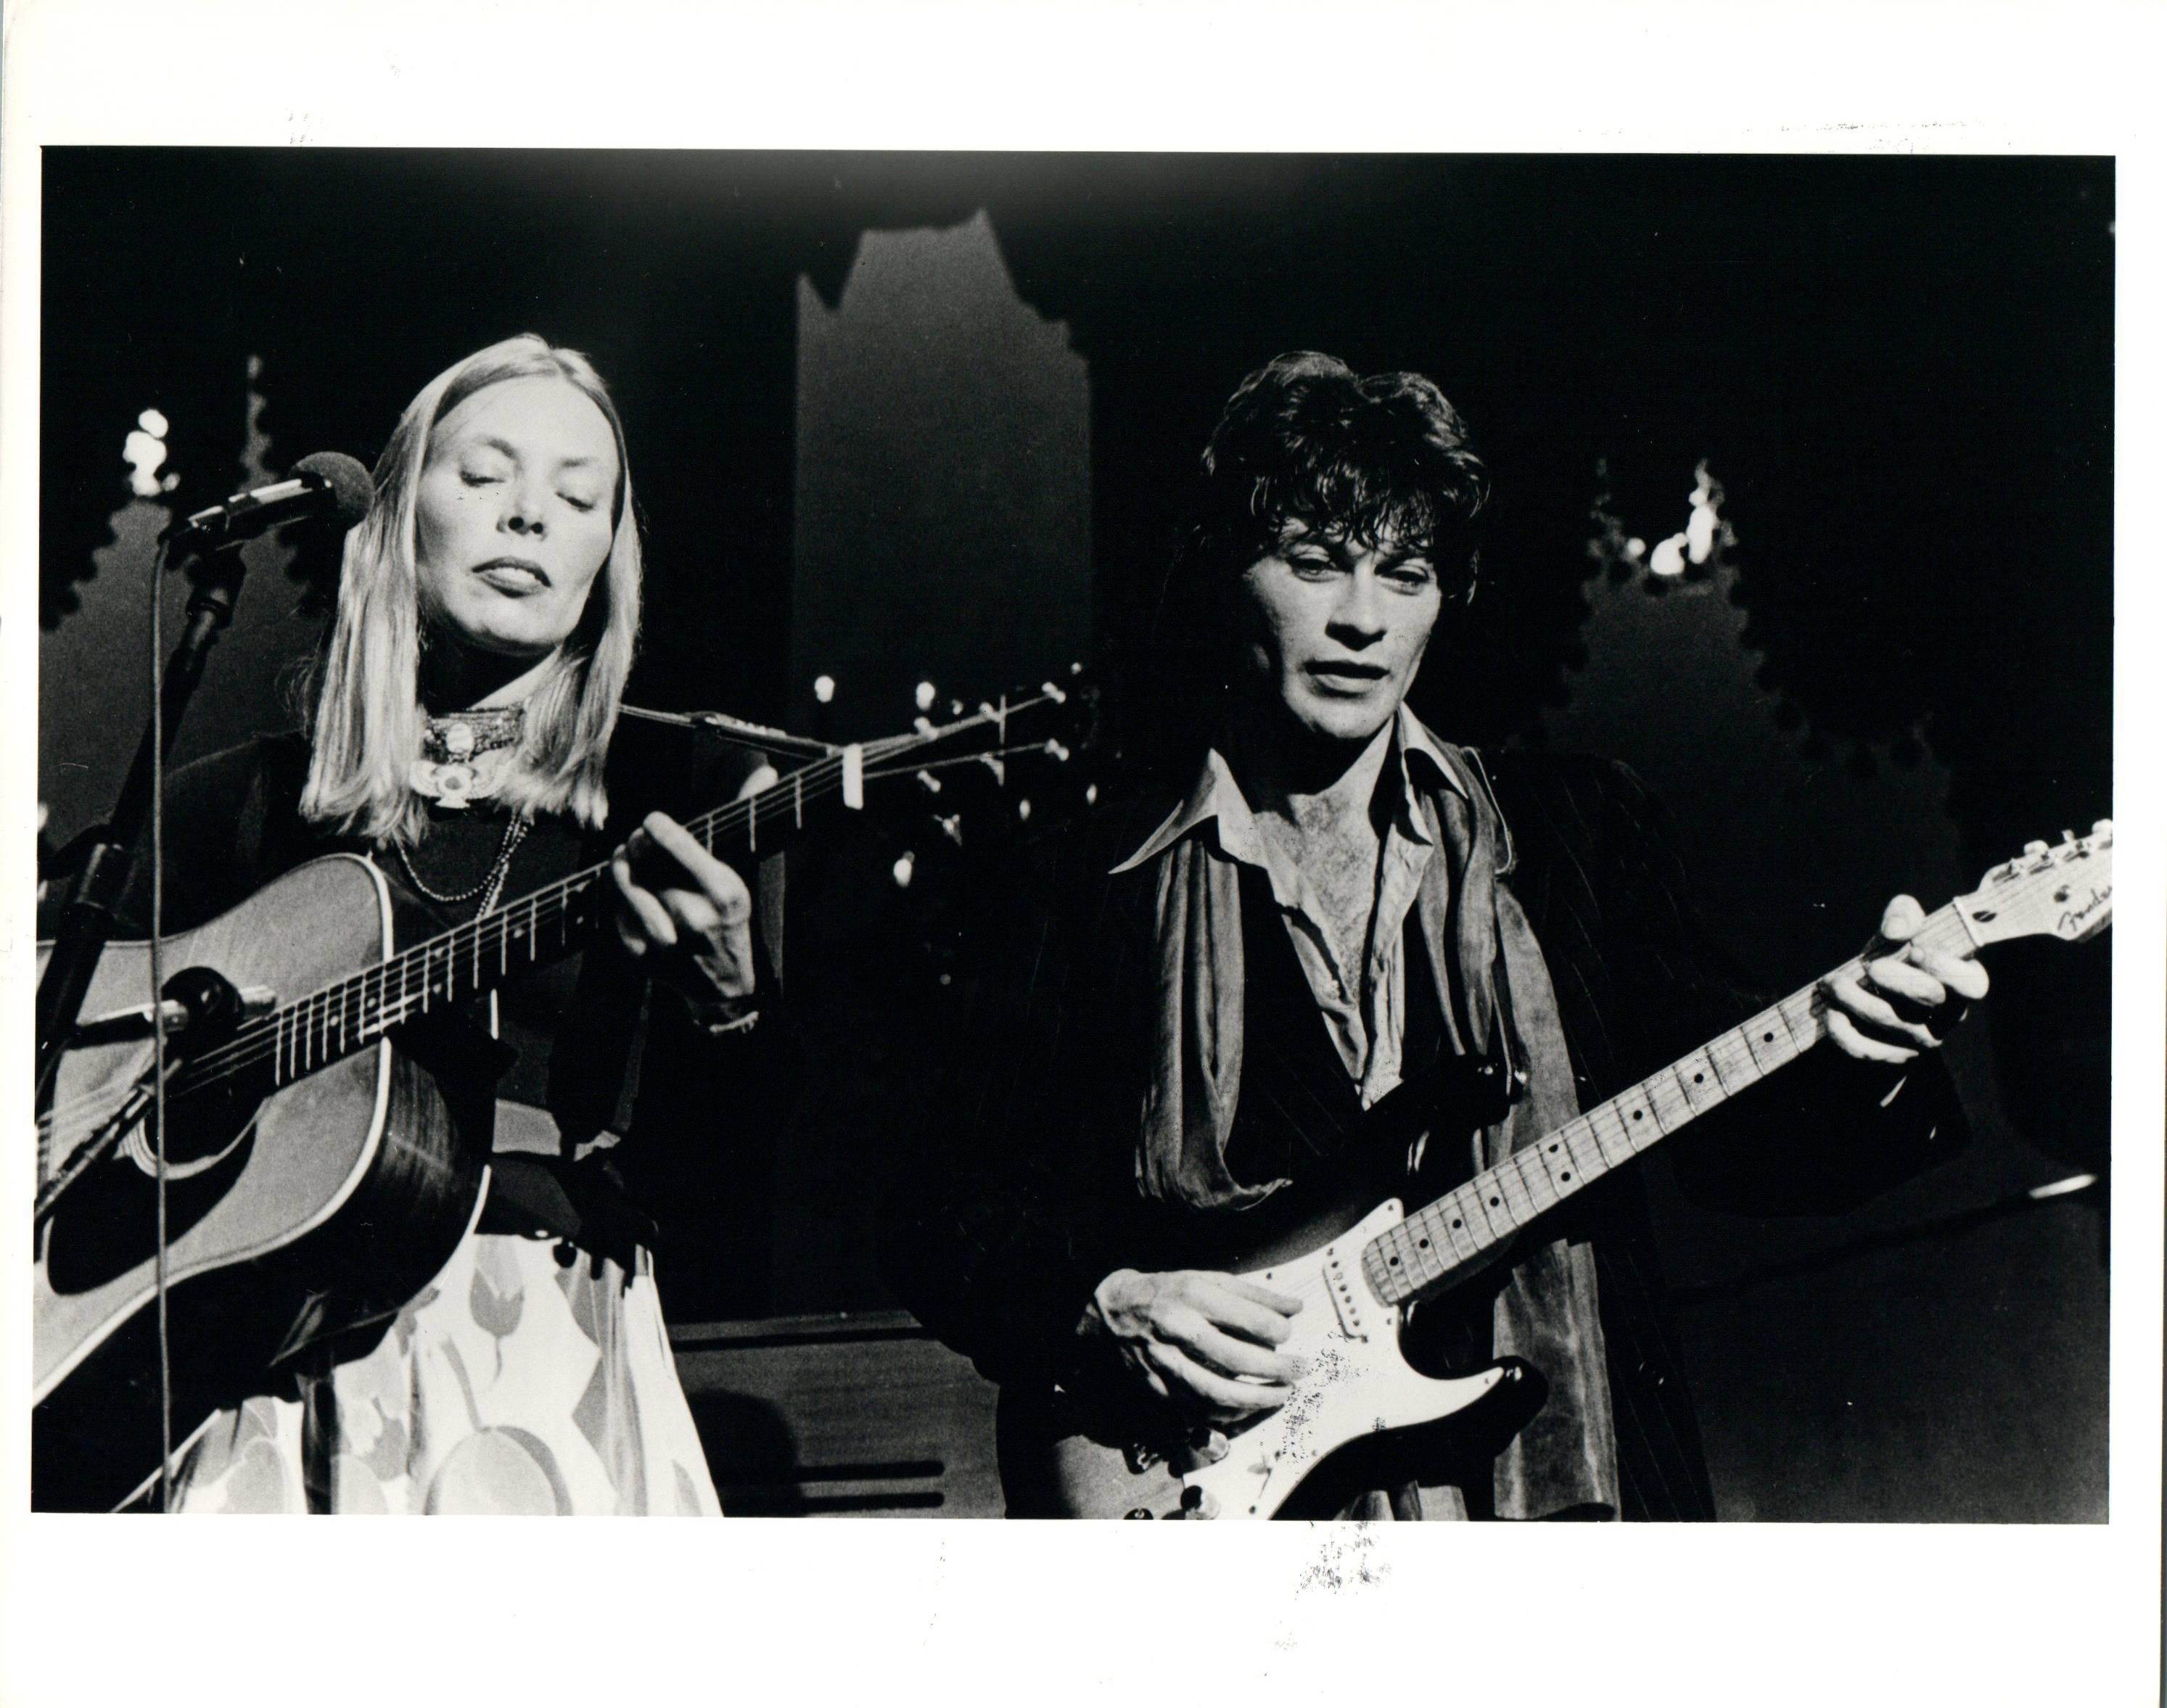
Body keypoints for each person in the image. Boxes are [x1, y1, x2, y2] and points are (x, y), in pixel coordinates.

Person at [882, 351, 1990, 1520]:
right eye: (1315, 565)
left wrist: (1873, 1045)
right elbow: (933, 1196)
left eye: (1404, 574)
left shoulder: (1575, 834)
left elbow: (1733, 1145)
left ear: (1443, 602)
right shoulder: (1084, 871)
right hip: (1233, 1526)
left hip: (1567, 1519)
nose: (1361, 618)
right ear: (1228, 573)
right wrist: (1102, 1300)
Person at [113, 334, 775, 1514]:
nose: (530, 516)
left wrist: (727, 1013)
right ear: (396, 511)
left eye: (578, 497)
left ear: (605, 565)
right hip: (258, 1361)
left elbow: (744, 1202)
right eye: (486, 477)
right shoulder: (230, 804)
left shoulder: (681, 800)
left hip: (539, 1361)